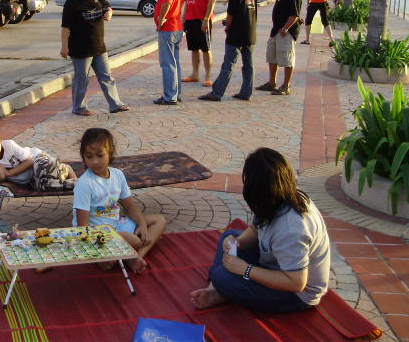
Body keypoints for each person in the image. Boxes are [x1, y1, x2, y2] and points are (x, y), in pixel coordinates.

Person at [190, 147, 330, 313]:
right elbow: (256, 230)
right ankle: (216, 289)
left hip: (295, 294)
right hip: (275, 263)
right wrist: (238, 243)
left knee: (222, 276)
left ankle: (220, 287)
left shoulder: (291, 229)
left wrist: (246, 269)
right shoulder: (276, 197)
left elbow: (296, 282)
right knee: (229, 236)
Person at [72, 128, 166, 273]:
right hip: (96, 233)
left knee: (159, 221)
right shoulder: (84, 184)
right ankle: (122, 253)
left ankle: (136, 257)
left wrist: (142, 225)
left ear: (110, 153)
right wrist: (103, 239)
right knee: (130, 245)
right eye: (89, 156)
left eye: (100, 155)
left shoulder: (117, 175)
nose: (94, 161)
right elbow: (82, 227)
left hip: (117, 224)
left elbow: (129, 206)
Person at [61, 0, 129, 116]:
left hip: (98, 46)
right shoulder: (72, 3)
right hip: (80, 48)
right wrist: (64, 47)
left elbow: (107, 6)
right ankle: (79, 108)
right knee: (82, 79)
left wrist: (109, 12)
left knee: (106, 76)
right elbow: (65, 28)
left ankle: (115, 105)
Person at [0, 121, 77, 191]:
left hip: (39, 160)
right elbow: (1, 177)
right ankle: (76, 183)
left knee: (41, 168)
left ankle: (66, 169)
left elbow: (30, 161)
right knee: (43, 186)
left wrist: (9, 173)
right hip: (33, 179)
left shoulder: (9, 145)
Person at [199, 0, 257, 102]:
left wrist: (227, 28)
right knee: (248, 65)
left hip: (236, 34)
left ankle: (217, 93)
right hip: (250, 34)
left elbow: (230, 15)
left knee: (228, 65)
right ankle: (246, 92)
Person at [255, 0, 302, 96]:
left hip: (286, 31)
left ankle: (286, 85)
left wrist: (286, 28)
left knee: (287, 58)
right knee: (272, 56)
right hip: (276, 29)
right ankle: (272, 82)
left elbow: (294, 14)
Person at [182, 0, 219, 87]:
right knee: (194, 48)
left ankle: (208, 76)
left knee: (205, 48)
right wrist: (183, 17)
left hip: (202, 18)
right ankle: (195, 74)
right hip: (190, 17)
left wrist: (206, 19)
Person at [153, 0, 185, 105]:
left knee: (167, 64)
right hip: (177, 26)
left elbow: (167, 2)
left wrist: (161, 19)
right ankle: (175, 93)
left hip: (168, 28)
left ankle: (170, 96)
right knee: (174, 63)